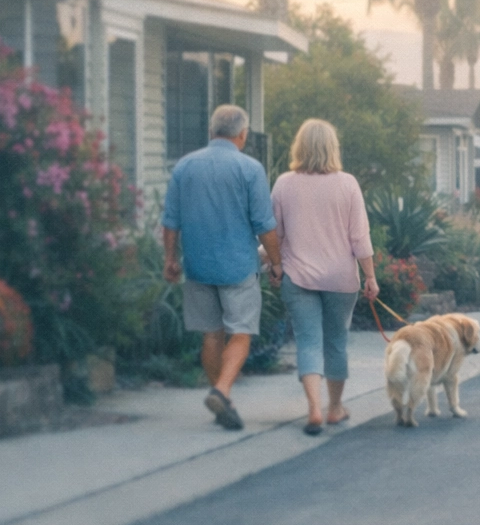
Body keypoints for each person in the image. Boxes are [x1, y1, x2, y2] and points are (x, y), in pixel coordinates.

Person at [162, 104, 281, 431]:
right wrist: (276, 261)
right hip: (238, 267)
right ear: (241, 134)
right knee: (240, 333)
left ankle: (221, 401)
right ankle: (222, 390)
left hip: (198, 266)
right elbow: (264, 225)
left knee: (211, 335)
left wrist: (170, 259)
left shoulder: (184, 167)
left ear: (211, 131)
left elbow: (170, 221)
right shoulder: (250, 169)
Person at [272, 118, 378, 435]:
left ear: (299, 147)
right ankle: (335, 409)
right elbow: (359, 237)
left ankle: (313, 410)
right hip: (341, 279)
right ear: (332, 148)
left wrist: (273, 266)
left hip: (298, 275)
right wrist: (370, 276)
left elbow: (273, 235)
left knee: (308, 342)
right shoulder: (347, 184)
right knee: (336, 342)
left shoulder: (284, 184)